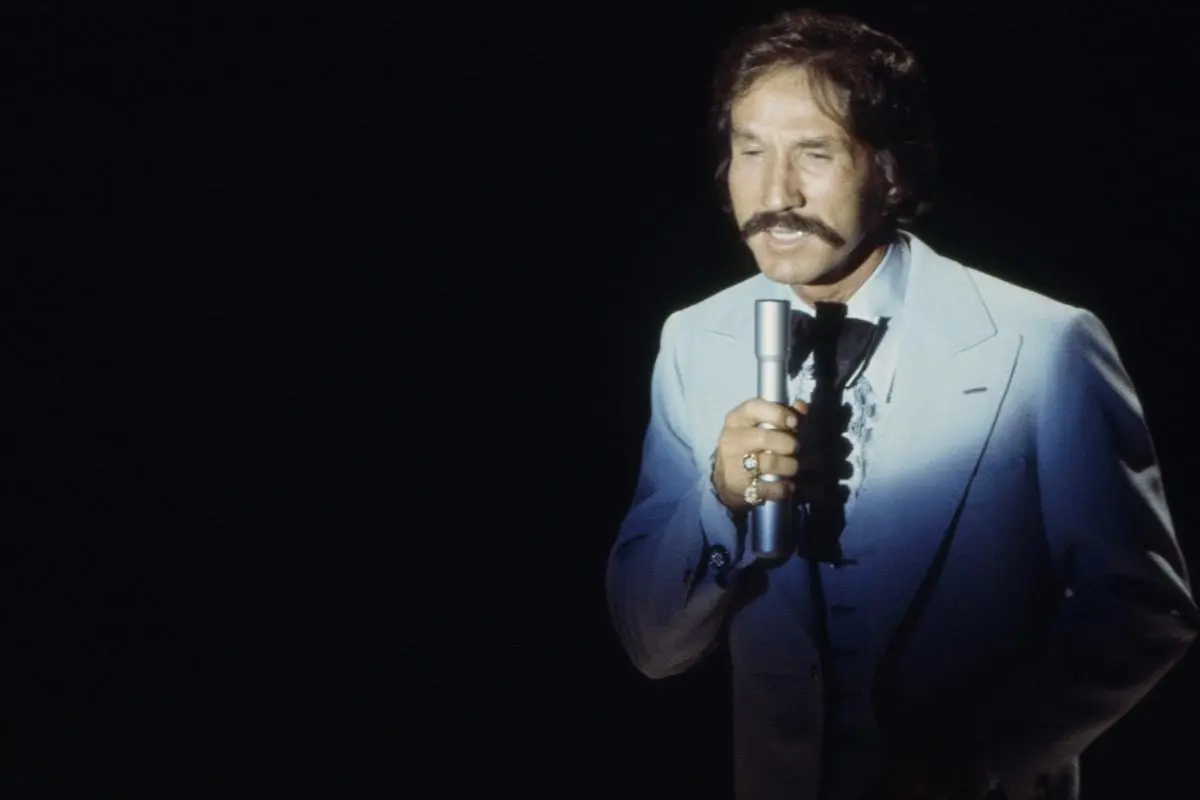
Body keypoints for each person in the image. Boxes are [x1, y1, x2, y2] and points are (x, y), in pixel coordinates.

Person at [604, 9, 1198, 800]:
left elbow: (1144, 610)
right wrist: (721, 498)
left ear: (891, 171)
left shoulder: (1041, 343)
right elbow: (651, 644)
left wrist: (975, 761)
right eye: (750, 151)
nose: (774, 192)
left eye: (814, 153)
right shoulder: (693, 338)